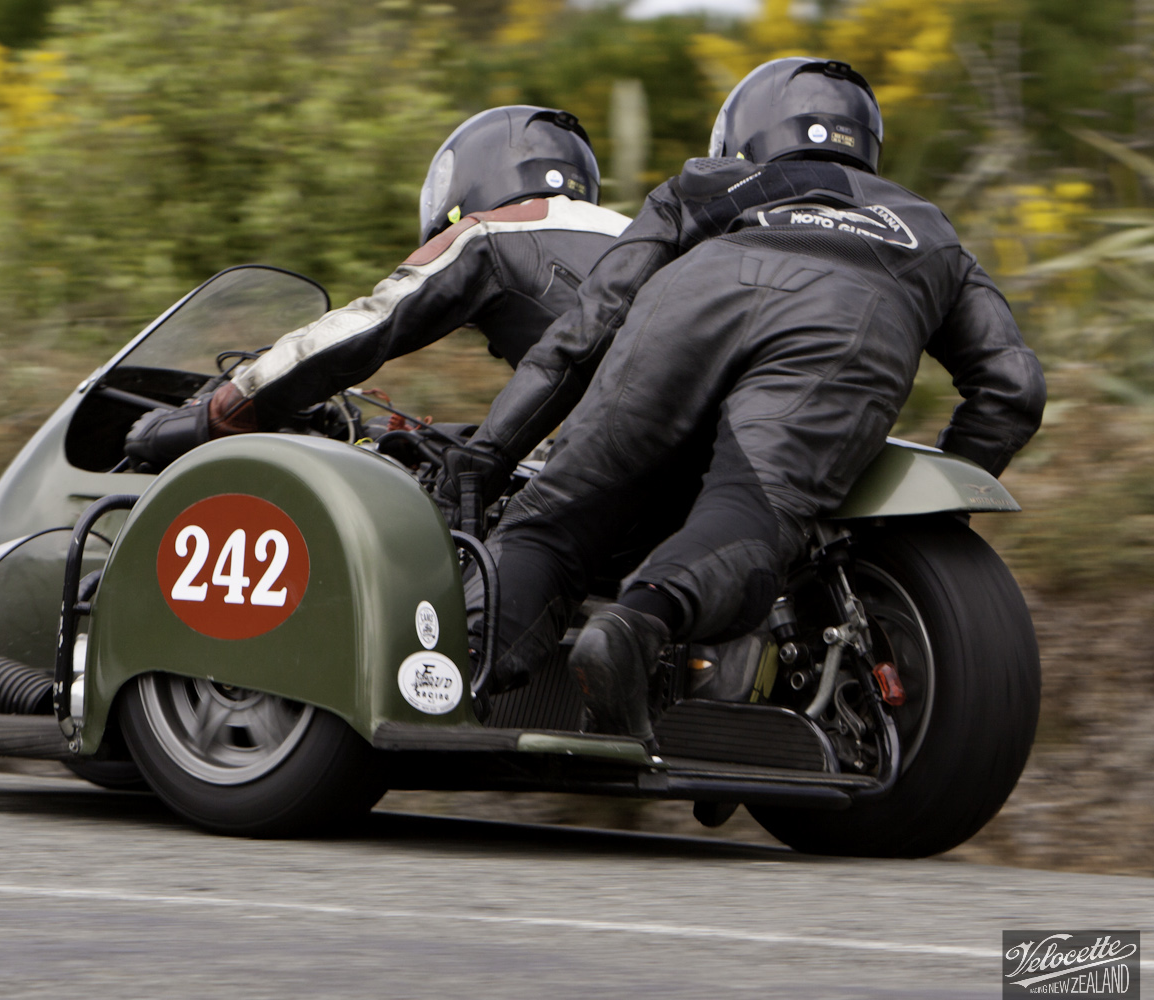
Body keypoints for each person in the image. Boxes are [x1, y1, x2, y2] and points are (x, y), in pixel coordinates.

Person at [452, 58, 1046, 742]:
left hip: (684, 308)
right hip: (840, 328)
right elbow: (1013, 386)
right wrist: (934, 528)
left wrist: (490, 455)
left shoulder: (701, 185)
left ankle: (458, 667)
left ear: (745, 134)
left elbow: (582, 335)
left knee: (556, 515)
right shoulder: (930, 229)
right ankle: (637, 623)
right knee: (751, 513)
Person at [123, 105, 633, 477]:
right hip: (690, 484)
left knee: (475, 580)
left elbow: (368, 325)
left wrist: (219, 413)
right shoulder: (646, 238)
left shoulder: (493, 233)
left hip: (631, 474)